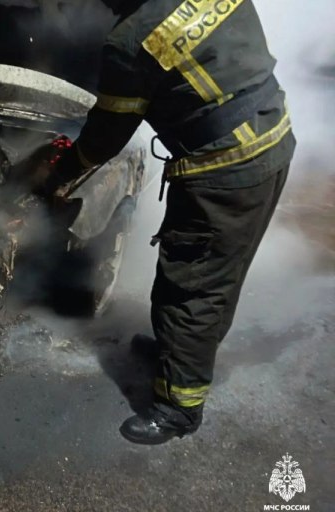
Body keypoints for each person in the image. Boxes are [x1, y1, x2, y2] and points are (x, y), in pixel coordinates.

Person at [42, 0, 295, 444]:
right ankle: (177, 357)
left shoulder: (131, 41)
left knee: (190, 288)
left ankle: (179, 408)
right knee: (219, 274)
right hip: (271, 139)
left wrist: (59, 178)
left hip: (225, 173)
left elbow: (105, 138)